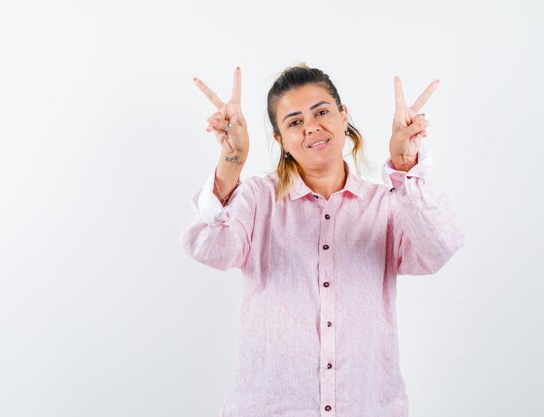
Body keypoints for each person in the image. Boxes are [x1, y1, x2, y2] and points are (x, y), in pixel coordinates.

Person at [178, 64, 464, 417]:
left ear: (344, 118)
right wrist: (232, 160)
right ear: (280, 141)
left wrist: (405, 167)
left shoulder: (386, 203)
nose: (311, 126)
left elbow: (438, 249)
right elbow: (209, 248)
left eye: (322, 112)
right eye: (294, 121)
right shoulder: (258, 199)